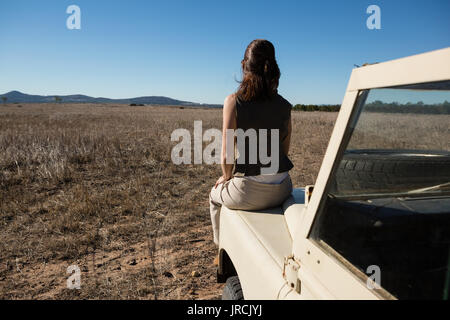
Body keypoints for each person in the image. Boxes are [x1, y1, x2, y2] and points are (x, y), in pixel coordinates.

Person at [209, 39, 294, 250]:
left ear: (244, 66)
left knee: (213, 196)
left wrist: (226, 177)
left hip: (249, 192)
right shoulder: (284, 105)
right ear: (273, 68)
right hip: (283, 187)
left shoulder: (233, 101)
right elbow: (284, 150)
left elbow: (227, 153)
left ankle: (221, 250)